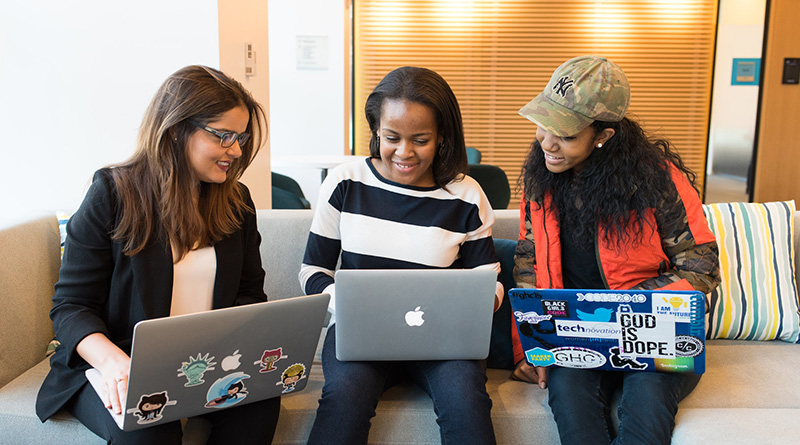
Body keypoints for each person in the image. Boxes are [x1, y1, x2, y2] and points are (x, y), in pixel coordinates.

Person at [35, 65, 280, 444]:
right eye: (224, 136)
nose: (236, 149)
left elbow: (250, 295)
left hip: (204, 364)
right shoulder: (113, 193)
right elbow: (70, 307)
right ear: (177, 129)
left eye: (241, 137)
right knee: (150, 429)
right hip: (117, 364)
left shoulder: (237, 202)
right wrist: (115, 364)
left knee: (259, 407)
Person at [511, 56, 720, 444]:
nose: (547, 142)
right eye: (544, 125)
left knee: (646, 415)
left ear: (603, 135)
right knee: (575, 418)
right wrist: (529, 347)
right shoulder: (540, 180)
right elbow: (529, 260)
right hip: (573, 337)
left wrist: (623, 308)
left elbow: (700, 268)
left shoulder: (658, 181)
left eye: (567, 135)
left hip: (656, 334)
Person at [299, 66, 502, 444]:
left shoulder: (466, 195)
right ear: (375, 130)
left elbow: (490, 278)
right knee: (345, 396)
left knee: (465, 400)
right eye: (391, 137)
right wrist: (345, 306)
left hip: (444, 341)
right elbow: (313, 271)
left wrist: (479, 304)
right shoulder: (346, 182)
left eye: (420, 139)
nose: (404, 152)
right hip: (359, 335)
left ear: (442, 136)